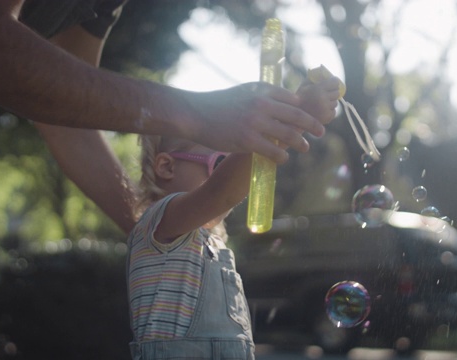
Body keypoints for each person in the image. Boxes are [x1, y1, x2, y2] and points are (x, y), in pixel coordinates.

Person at [0, 1, 343, 359]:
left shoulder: (181, 240)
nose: (224, 166)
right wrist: (261, 125)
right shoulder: (167, 219)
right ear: (166, 168)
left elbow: (62, 114)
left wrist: (289, 120)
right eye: (215, 158)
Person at [126, 78, 341, 359]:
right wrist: (294, 121)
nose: (234, 175)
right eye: (221, 164)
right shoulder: (161, 221)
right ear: (167, 166)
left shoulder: (209, 244)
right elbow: (222, 193)